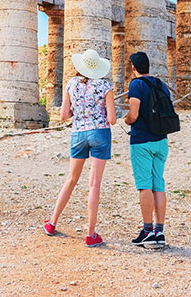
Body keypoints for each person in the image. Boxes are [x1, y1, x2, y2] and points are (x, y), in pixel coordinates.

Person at [44, 48, 115, 248]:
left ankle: (52, 223)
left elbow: (64, 115)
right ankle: (90, 234)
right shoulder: (105, 86)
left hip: (78, 133)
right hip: (100, 133)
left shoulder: (71, 84)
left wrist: (81, 112)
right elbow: (112, 119)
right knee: (94, 185)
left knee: (71, 179)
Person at [124, 51, 169, 249]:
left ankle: (147, 230)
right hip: (161, 140)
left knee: (144, 186)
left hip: (142, 140)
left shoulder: (136, 84)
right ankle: (159, 231)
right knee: (158, 183)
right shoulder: (160, 84)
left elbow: (133, 114)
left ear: (134, 67)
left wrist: (125, 120)